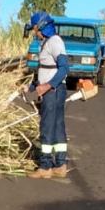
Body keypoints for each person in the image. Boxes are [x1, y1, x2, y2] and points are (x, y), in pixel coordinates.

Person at [24, 11, 70, 179]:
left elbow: (64, 67)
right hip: (53, 89)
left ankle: (45, 166)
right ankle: (60, 164)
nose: (35, 33)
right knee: (57, 126)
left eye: (35, 29)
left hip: (54, 91)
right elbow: (46, 70)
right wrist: (32, 86)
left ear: (42, 27)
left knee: (47, 126)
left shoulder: (55, 42)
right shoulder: (47, 43)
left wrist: (48, 86)